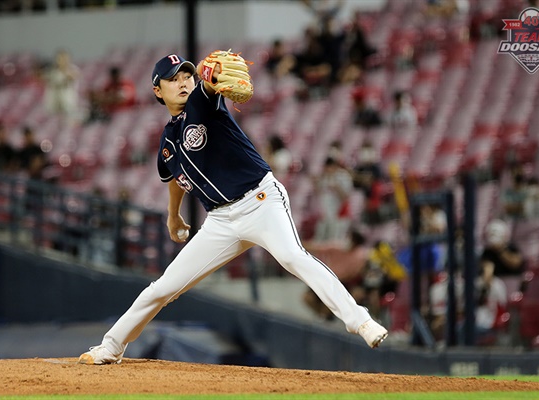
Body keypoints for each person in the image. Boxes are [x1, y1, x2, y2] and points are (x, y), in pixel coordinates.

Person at [78, 51, 387, 365]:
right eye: (174, 79)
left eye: (187, 75)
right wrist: (174, 215)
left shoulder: (201, 103)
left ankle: (360, 320)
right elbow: (174, 178)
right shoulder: (167, 143)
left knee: (292, 257)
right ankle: (111, 347)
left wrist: (211, 80)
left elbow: (209, 88)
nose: (183, 83)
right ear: (158, 90)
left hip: (261, 202)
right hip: (221, 221)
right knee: (163, 288)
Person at [43, 49, 81, 124]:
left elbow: (71, 77)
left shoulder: (73, 69)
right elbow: (43, 77)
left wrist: (64, 70)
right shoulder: (52, 71)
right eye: (60, 58)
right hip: (54, 101)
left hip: (69, 102)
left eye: (64, 58)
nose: (62, 61)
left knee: (68, 123)